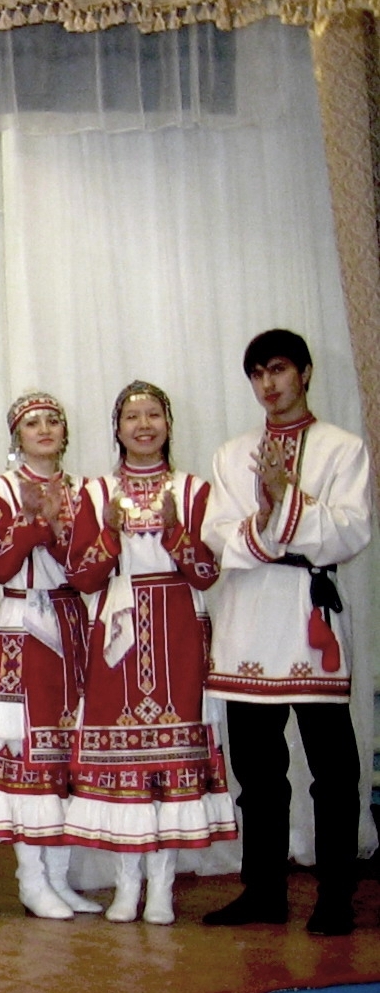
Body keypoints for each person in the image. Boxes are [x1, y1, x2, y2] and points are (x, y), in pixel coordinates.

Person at [201, 329, 372, 936]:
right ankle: (263, 890)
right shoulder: (232, 454)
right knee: (257, 772)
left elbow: (351, 531)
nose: (268, 384)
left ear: (304, 372)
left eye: (278, 369)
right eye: (257, 374)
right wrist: (273, 518)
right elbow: (219, 534)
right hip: (248, 619)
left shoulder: (342, 448)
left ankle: (335, 895)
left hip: (308, 616)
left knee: (334, 771)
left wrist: (284, 501)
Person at [63, 381, 235, 925]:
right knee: (125, 760)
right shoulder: (95, 492)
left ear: (168, 424)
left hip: (178, 628)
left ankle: (161, 887)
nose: (143, 425)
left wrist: (177, 531)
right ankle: (126, 884)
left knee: (171, 756)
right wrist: (109, 536)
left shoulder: (194, 490)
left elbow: (206, 572)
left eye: (153, 414)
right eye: (132, 417)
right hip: (118, 631)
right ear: (117, 429)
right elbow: (81, 576)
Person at [0, 391, 102, 919]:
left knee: (67, 749)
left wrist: (62, 529)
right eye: (33, 423)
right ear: (16, 436)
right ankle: (31, 878)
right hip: (23, 623)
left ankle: (59, 876)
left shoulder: (85, 490)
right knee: (29, 747)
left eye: (54, 421)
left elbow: (91, 566)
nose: (45, 429)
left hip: (72, 621)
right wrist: (34, 525)